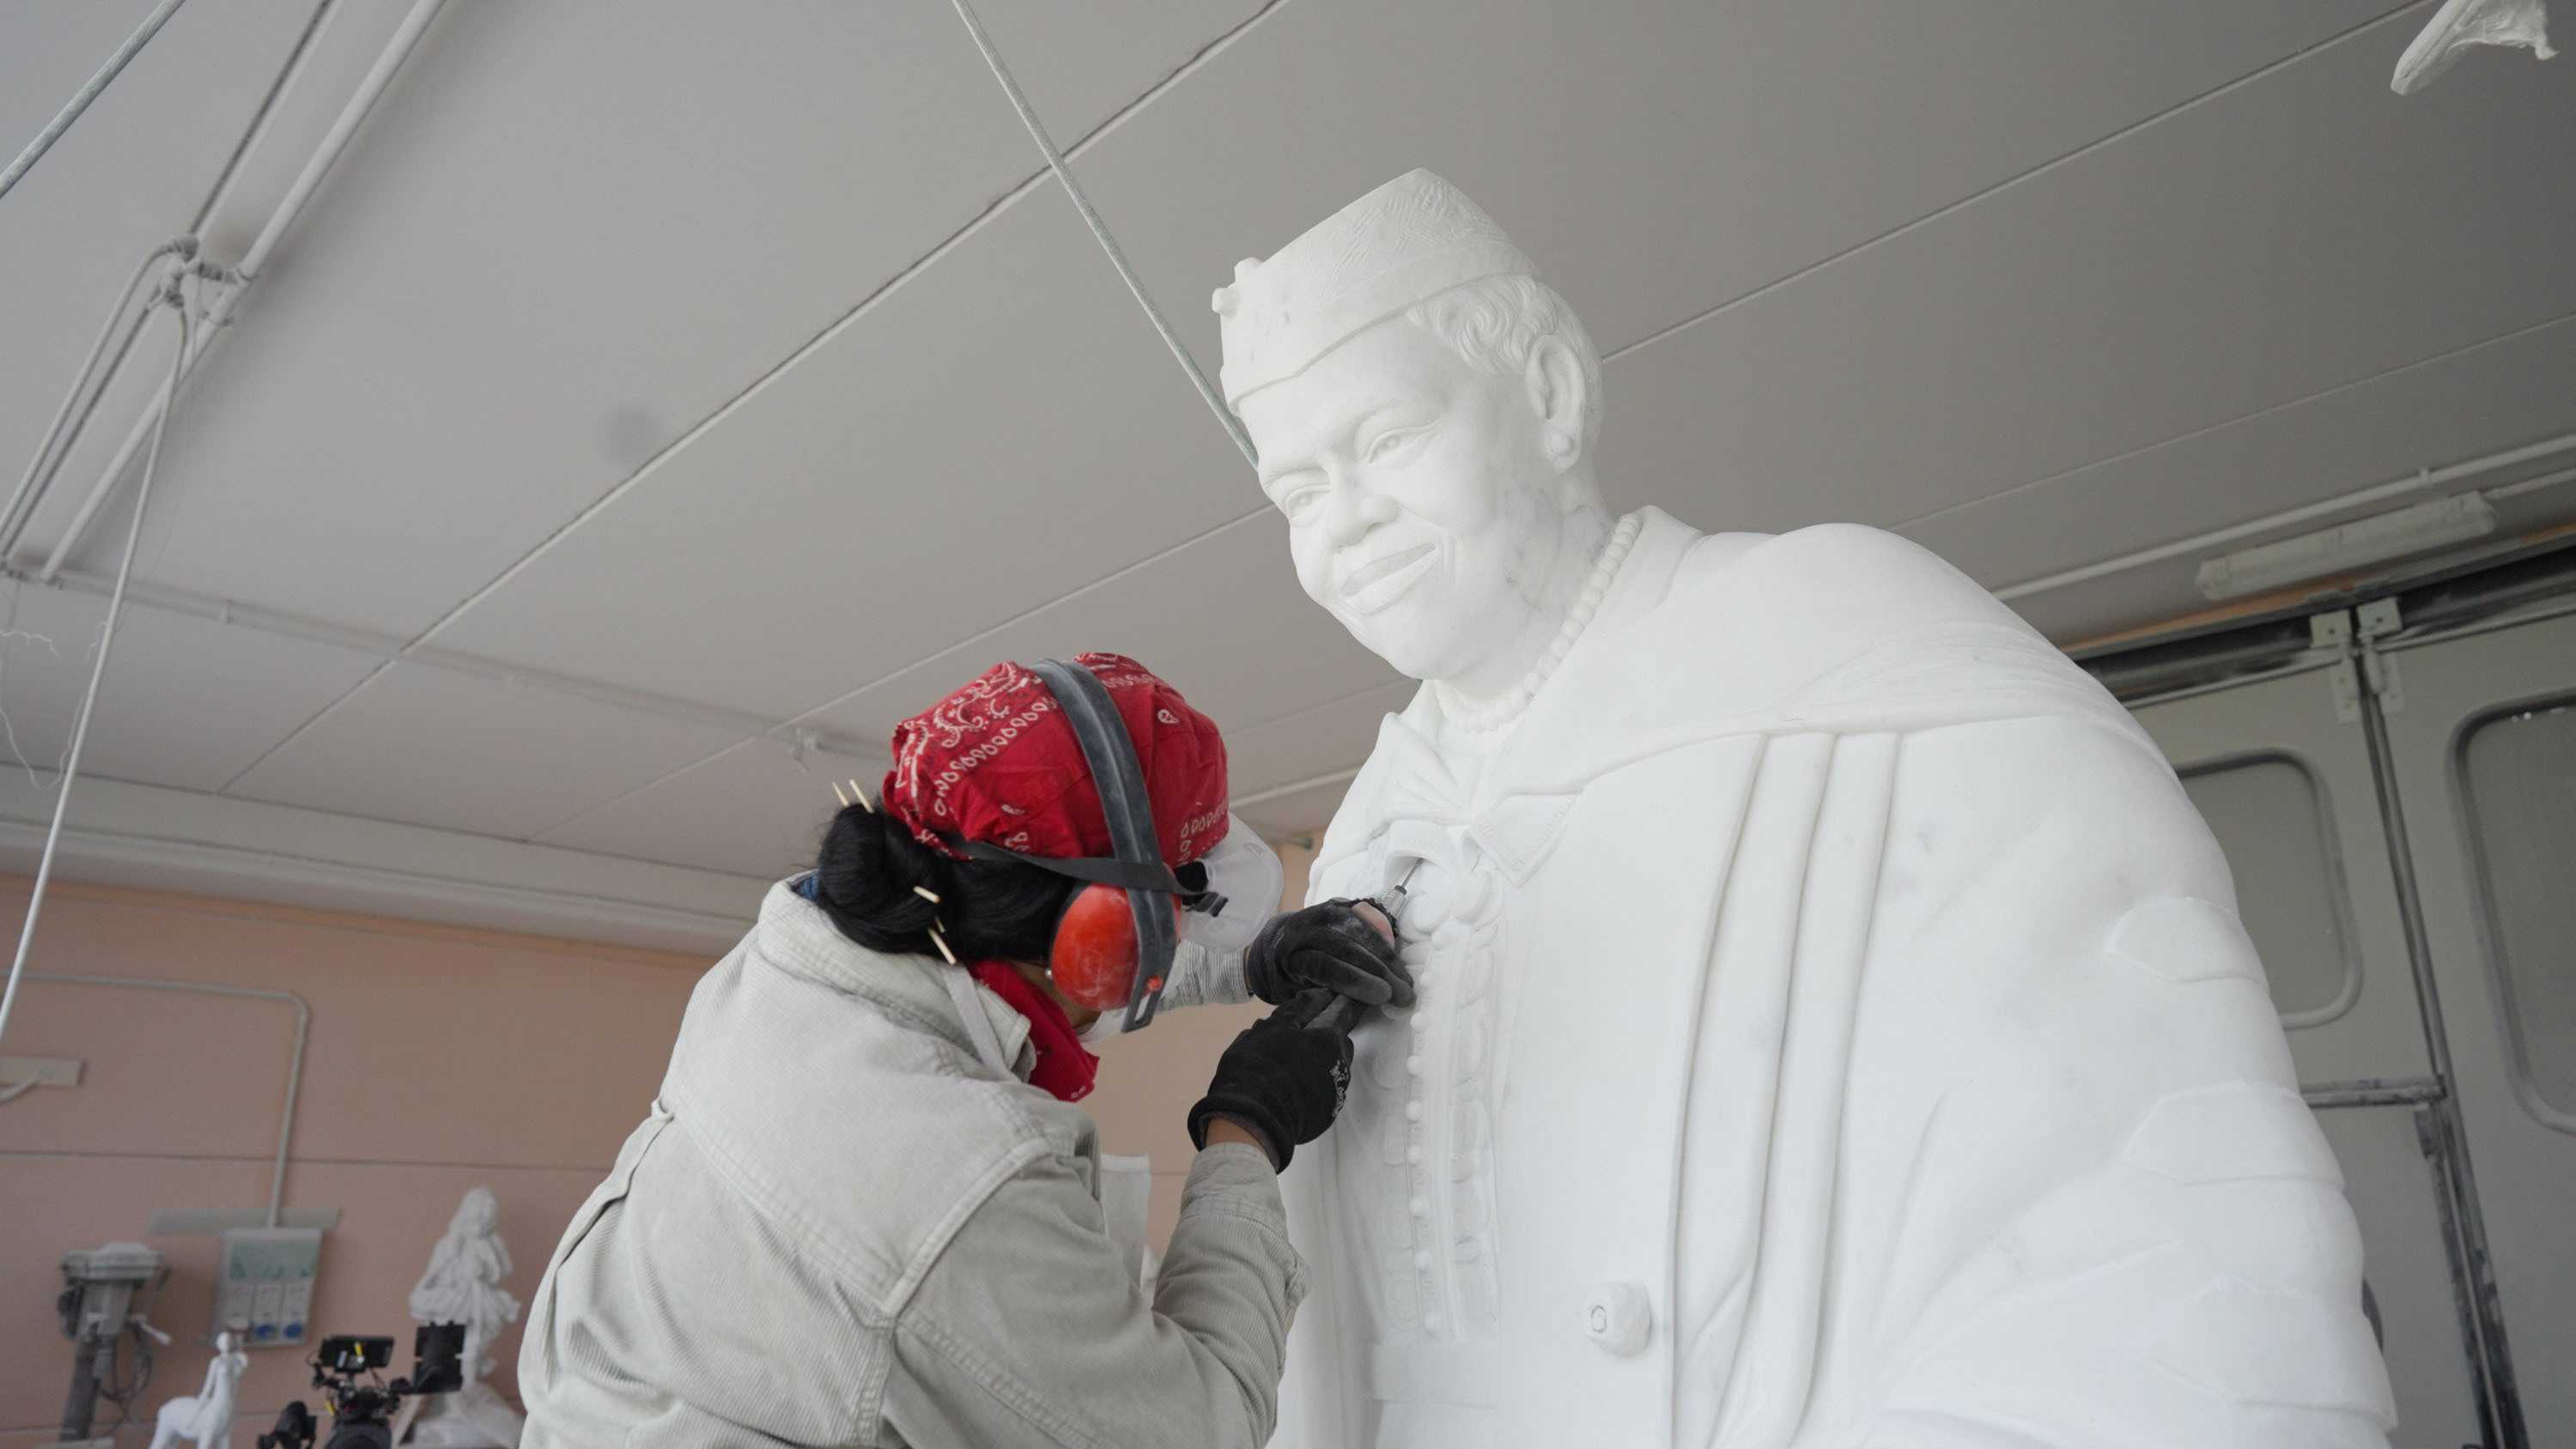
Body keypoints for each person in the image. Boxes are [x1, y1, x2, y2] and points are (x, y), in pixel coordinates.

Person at [1212, 171, 2395, 1446]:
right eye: (1299, 494)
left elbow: (2150, 1229)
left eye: (1385, 444)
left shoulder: (1851, 651)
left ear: (1548, 395)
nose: (1349, 526)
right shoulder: (1379, 827)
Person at [516, 652, 1409, 1448]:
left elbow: (1021, 970)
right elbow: (1199, 1425)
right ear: (1104, 929)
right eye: (1174, 913)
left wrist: (1247, 962)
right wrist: (1245, 1134)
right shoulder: (962, 1183)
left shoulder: (795, 958)